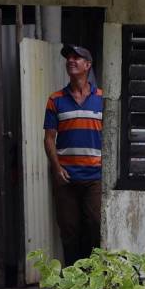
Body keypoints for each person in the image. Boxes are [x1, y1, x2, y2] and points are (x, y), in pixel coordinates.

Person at [44, 43, 103, 267]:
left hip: (94, 176)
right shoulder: (55, 99)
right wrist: (57, 169)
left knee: (95, 226)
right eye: (68, 57)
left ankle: (93, 279)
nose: (71, 60)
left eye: (77, 57)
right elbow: (49, 138)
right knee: (69, 230)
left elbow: (110, 136)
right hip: (66, 177)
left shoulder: (102, 99)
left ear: (87, 65)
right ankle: (72, 284)